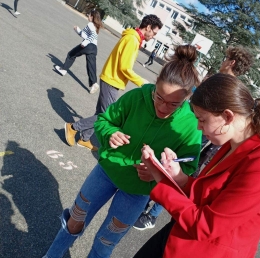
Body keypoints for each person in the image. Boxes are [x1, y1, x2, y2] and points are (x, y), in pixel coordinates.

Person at [42, 45, 202, 258]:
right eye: (159, 97)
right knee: (74, 221)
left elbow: (189, 167)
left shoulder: (191, 124)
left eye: (173, 104)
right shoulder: (136, 97)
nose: (162, 107)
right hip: (107, 172)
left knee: (105, 243)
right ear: (155, 85)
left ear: (186, 98)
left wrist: (159, 174)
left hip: (138, 192)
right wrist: (110, 133)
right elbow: (104, 120)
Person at [133, 73, 260, 258]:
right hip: (180, 235)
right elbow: (208, 194)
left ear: (227, 116)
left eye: (202, 119)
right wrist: (179, 177)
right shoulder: (232, 144)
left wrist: (160, 176)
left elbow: (205, 225)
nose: (198, 127)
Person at [64, 14, 163, 151]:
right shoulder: (132, 40)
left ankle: (84, 138)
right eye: (154, 33)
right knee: (106, 117)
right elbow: (124, 67)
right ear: (148, 28)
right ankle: (73, 127)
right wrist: (142, 83)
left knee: (101, 112)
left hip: (111, 78)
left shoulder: (133, 37)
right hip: (112, 80)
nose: (153, 36)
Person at [192, 45, 254, 177]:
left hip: (203, 127)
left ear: (231, 63)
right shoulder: (234, 89)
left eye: (226, 58)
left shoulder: (220, 85)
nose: (223, 61)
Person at [54, 11, 103, 94]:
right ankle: (94, 83)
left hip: (88, 45)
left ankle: (63, 69)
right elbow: (85, 35)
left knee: (71, 54)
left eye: (89, 14)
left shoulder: (90, 24)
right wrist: (77, 30)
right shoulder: (95, 26)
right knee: (91, 66)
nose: (88, 15)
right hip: (94, 48)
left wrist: (85, 43)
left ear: (92, 17)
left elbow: (92, 36)